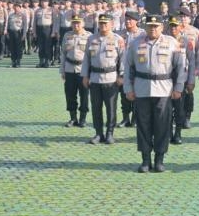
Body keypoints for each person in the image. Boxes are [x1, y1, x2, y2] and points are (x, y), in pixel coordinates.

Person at [124, 15, 186, 173]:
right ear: (145, 27)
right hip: (142, 89)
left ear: (162, 27)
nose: (153, 28)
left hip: (164, 89)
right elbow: (128, 68)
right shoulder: (135, 43)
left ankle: (159, 159)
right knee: (143, 126)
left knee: (162, 126)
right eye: (150, 26)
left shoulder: (172, 43)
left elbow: (180, 67)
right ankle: (145, 160)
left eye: (156, 26)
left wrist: (178, 88)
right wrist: (128, 89)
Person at [81, 14, 126, 145]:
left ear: (111, 24)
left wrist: (121, 75)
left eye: (106, 23)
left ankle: (110, 133)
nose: (103, 26)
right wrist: (85, 75)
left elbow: (123, 59)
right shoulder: (91, 39)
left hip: (111, 78)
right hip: (95, 78)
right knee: (96, 108)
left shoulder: (118, 39)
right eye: (101, 23)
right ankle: (98, 133)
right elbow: (86, 59)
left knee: (111, 108)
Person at [166, 16, 195, 145]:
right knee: (166, 108)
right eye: (171, 26)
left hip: (181, 78)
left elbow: (192, 61)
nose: (173, 28)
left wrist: (191, 80)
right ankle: (167, 133)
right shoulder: (163, 40)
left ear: (180, 27)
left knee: (179, 108)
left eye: (176, 26)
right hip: (165, 78)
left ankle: (177, 133)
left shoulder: (186, 41)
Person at [60, 15, 90, 128]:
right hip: (69, 69)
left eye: (78, 23)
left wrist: (89, 72)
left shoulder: (89, 36)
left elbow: (91, 56)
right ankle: (73, 118)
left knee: (84, 95)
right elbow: (63, 53)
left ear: (83, 23)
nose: (76, 25)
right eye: (74, 23)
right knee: (70, 94)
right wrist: (62, 70)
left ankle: (83, 119)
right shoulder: (67, 35)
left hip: (83, 69)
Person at [116, 10, 145, 128]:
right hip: (123, 69)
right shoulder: (119, 34)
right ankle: (125, 118)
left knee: (138, 95)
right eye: (126, 19)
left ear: (136, 21)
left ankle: (135, 119)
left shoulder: (143, 34)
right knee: (124, 95)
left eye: (130, 19)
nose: (128, 21)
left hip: (138, 69)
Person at [5, 1, 28, 68]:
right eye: (15, 7)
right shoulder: (11, 15)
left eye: (17, 7)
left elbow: (25, 25)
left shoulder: (23, 15)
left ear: (20, 8)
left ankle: (18, 62)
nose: (16, 8)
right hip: (11, 32)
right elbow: (8, 24)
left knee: (18, 48)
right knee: (12, 48)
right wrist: (7, 32)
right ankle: (13, 61)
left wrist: (24, 34)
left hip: (19, 32)